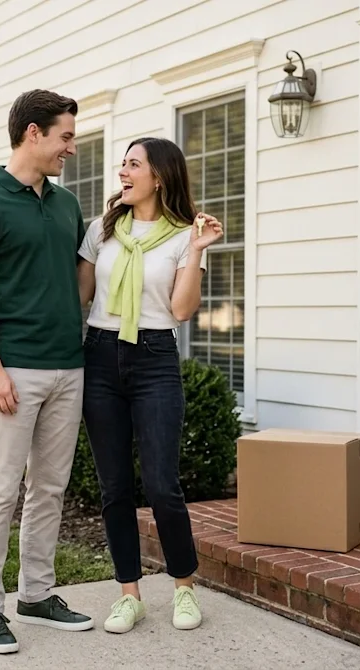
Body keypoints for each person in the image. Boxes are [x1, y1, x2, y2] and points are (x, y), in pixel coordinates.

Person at [0, 89, 95, 655]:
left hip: (68, 368)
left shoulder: (65, 205)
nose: (71, 148)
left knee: (50, 489)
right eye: (65, 136)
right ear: (33, 133)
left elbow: (77, 285)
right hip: (13, 369)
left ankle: (36, 594)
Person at [76, 137, 224, 634]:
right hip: (100, 356)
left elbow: (181, 310)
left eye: (133, 164)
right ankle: (129, 595)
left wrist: (197, 251)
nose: (122, 171)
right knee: (115, 487)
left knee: (162, 484)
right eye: (123, 163)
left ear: (158, 176)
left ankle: (184, 588)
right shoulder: (102, 229)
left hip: (155, 357)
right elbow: (80, 294)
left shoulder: (186, 236)